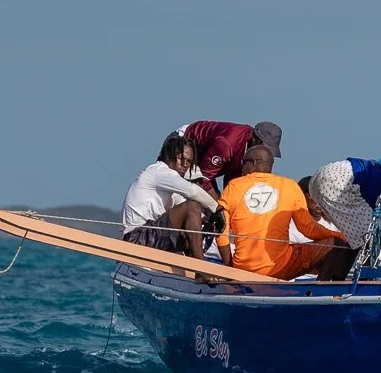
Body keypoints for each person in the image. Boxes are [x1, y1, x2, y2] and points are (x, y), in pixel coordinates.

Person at [215, 146, 352, 280]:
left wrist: (229, 269)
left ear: (253, 163)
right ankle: (320, 291)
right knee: (337, 244)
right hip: (281, 268)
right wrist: (339, 235)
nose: (242, 168)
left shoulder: (233, 187)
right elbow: (308, 229)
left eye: (243, 163)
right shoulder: (289, 185)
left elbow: (221, 232)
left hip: (244, 269)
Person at [121, 132, 224, 260]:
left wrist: (208, 221)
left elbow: (185, 207)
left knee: (193, 214)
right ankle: (200, 267)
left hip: (151, 235)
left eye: (189, 162)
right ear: (169, 156)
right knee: (192, 206)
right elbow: (192, 193)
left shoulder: (171, 185)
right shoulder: (159, 171)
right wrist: (217, 209)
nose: (185, 165)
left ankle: (193, 265)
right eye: (181, 159)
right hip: (136, 238)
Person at [303, 157, 381, 258]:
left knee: (355, 239)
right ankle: (360, 273)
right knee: (373, 240)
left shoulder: (378, 171)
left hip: (320, 178)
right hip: (338, 181)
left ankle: (335, 273)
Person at [177, 120, 283, 194]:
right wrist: (219, 207)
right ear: (255, 139)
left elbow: (232, 181)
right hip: (183, 142)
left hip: (205, 162)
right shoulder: (227, 144)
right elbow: (202, 177)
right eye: (264, 147)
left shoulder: (249, 150)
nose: (265, 153)